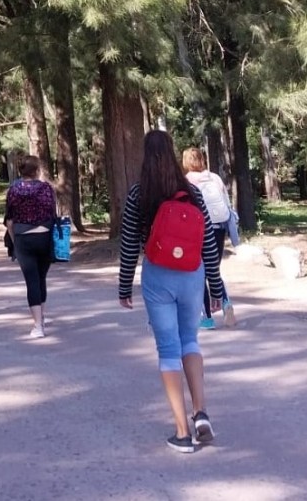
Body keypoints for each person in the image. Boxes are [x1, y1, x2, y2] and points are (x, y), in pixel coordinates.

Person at [118, 130, 223, 453]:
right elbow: (207, 243)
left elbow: (128, 245)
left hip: (158, 276)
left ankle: (181, 432)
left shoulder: (139, 193)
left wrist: (124, 287)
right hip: (192, 275)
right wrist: (215, 287)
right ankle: (201, 413)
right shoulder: (191, 192)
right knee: (190, 341)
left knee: (168, 349)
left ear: (145, 155)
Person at [182, 147, 237, 329]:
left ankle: (206, 318)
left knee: (199, 273)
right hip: (219, 228)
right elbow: (227, 205)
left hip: (199, 230)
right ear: (202, 159)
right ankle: (226, 303)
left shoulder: (186, 181)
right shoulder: (215, 178)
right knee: (213, 269)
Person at [4, 154, 56, 339]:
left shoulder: (14, 190)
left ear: (20, 170)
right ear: (37, 170)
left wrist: (15, 240)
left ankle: (38, 326)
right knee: (41, 278)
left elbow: (9, 220)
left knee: (32, 281)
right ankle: (41, 316)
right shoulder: (46, 189)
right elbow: (53, 214)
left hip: (24, 238)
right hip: (45, 237)